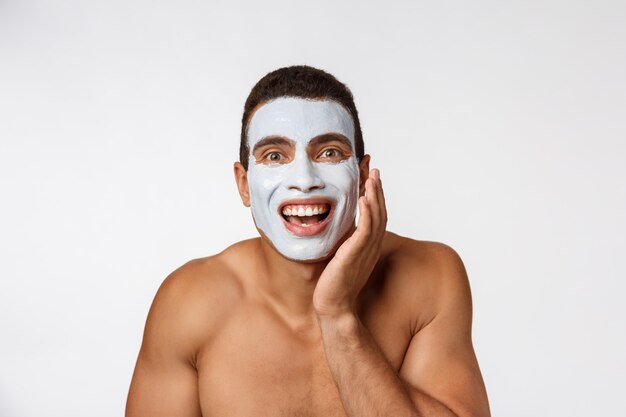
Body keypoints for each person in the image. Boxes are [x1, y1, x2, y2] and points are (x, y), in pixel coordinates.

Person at [126, 65, 491, 417]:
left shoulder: (430, 277)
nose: (304, 179)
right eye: (274, 156)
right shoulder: (190, 302)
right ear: (243, 184)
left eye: (329, 152)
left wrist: (338, 316)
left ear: (363, 177)